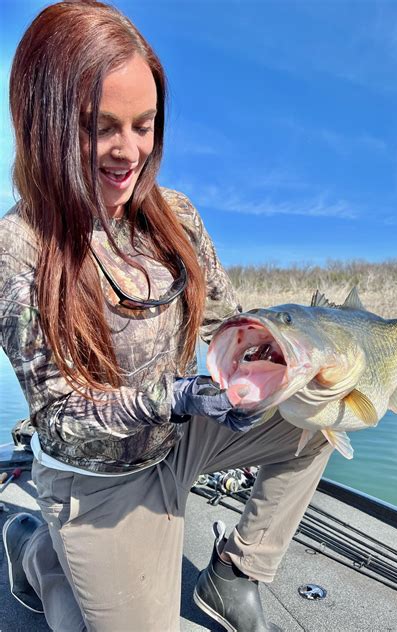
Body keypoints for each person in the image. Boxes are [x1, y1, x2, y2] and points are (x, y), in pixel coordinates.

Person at [0, 2, 333, 631]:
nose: (129, 152)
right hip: (96, 479)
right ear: (45, 121)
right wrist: (177, 397)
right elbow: (63, 417)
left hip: (178, 439)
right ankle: (39, 553)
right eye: (101, 127)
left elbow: (220, 324)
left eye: (144, 125)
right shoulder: (18, 246)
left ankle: (235, 574)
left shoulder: (174, 212)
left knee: (320, 423)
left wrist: (264, 357)